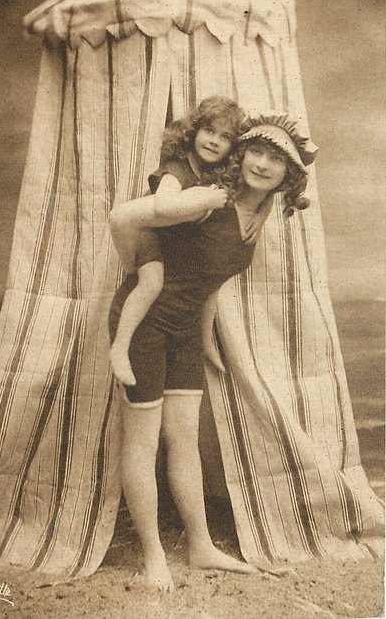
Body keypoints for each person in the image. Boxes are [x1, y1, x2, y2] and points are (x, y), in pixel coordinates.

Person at [108, 110, 316, 591]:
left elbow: (212, 281)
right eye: (256, 152)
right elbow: (122, 217)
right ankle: (153, 556)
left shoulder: (258, 213)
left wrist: (204, 338)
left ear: (288, 175)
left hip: (184, 331)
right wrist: (137, 266)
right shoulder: (208, 197)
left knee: (184, 440)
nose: (262, 164)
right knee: (142, 442)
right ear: (241, 155)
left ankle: (200, 547)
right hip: (144, 326)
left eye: (275, 159)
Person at [109, 97, 274, 386]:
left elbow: (268, 192)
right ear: (193, 131)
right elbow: (162, 206)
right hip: (149, 234)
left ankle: (200, 342)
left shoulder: (213, 171)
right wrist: (204, 200)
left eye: (225, 137)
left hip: (170, 243)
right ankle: (120, 349)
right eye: (209, 130)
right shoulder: (178, 169)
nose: (214, 141)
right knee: (151, 283)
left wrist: (262, 213)